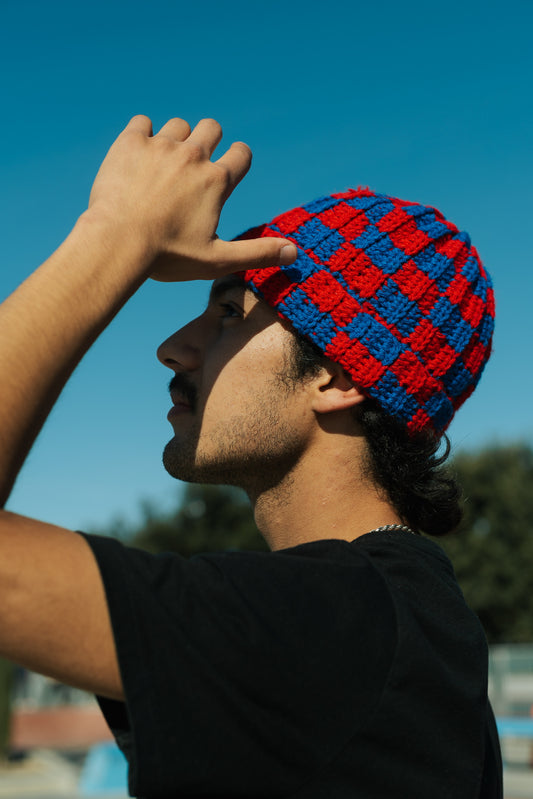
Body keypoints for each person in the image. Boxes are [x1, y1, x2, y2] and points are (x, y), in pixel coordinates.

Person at [0, 115, 502, 798]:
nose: (174, 346)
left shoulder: (334, 624)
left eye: (231, 313)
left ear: (339, 375)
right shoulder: (399, 621)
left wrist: (113, 235)